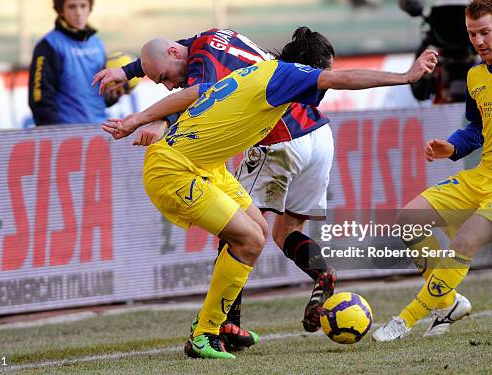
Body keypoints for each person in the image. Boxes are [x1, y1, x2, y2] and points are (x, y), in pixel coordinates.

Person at [101, 32, 438, 358]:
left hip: (203, 166)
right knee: (249, 240)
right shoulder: (282, 77)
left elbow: (193, 93)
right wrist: (405, 77)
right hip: (173, 170)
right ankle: (206, 331)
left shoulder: (249, 70)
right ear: (307, 71)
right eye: (321, 73)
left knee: (259, 233)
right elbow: (346, 78)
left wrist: (144, 119)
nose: (325, 79)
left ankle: (216, 325)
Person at [93, 28, 338, 348]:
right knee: (282, 232)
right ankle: (321, 271)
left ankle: (223, 326)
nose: (168, 85)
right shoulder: (212, 38)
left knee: (238, 234)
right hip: (319, 134)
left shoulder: (204, 65)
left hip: (278, 139)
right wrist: (128, 71)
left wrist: (160, 121)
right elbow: (172, 54)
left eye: (165, 78)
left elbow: (197, 96)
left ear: (175, 56)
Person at [373, 0, 492, 342]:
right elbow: (476, 129)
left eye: (484, 32)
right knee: (408, 220)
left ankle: (404, 320)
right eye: (471, 33)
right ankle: (448, 303)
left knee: (464, 241)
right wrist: (452, 146)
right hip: (482, 176)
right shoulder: (476, 76)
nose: (477, 41)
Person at [28, 0, 120, 125]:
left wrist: (114, 94)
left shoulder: (97, 43)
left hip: (101, 127)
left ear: (90, 8)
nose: (78, 12)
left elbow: (101, 95)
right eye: (72, 6)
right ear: (61, 11)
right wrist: (55, 133)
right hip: (67, 133)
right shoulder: (48, 46)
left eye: (83, 5)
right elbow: (39, 98)